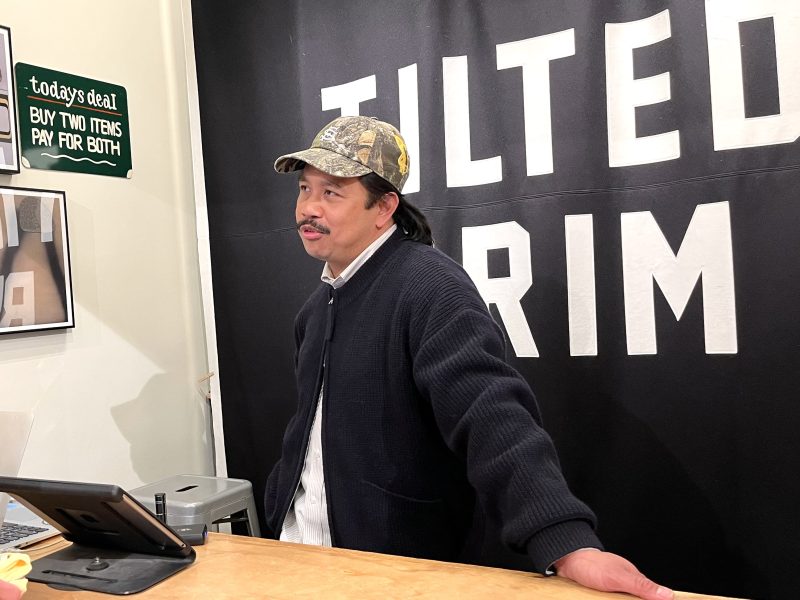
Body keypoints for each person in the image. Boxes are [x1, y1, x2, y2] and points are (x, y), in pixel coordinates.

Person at [267, 115, 673, 600]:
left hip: (391, 577)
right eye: (305, 189)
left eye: (331, 193)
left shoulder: (429, 288)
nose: (308, 208)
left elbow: (491, 415)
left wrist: (565, 542)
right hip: (297, 561)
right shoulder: (315, 312)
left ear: (384, 208)